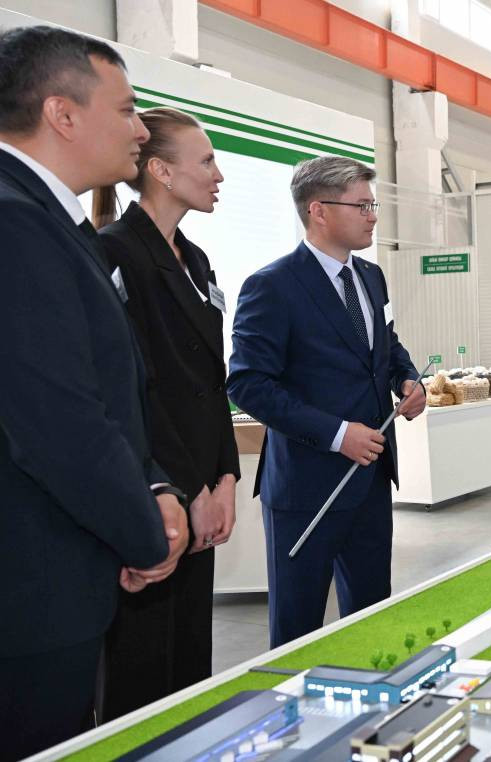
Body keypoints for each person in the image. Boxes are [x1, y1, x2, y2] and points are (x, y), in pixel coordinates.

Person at [0, 26, 188, 757]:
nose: (141, 130)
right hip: (30, 596)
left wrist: (155, 483)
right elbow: (58, 421)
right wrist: (145, 533)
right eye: (128, 109)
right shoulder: (15, 223)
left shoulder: (51, 220)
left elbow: (109, 391)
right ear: (63, 114)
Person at [227, 156, 424, 648]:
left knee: (372, 618)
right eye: (362, 205)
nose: (373, 216)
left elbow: (385, 344)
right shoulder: (272, 286)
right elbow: (248, 384)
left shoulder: (371, 277)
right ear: (318, 210)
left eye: (373, 205)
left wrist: (406, 378)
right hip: (306, 487)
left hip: (371, 478)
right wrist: (337, 435)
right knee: (299, 630)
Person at [94, 108, 241, 719]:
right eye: (206, 161)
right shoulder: (115, 252)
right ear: (160, 170)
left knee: (189, 664)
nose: (218, 175)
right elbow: (136, 389)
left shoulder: (197, 260)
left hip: (204, 485)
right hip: (155, 491)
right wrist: (188, 489)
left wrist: (227, 477)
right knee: (143, 669)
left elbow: (211, 381)